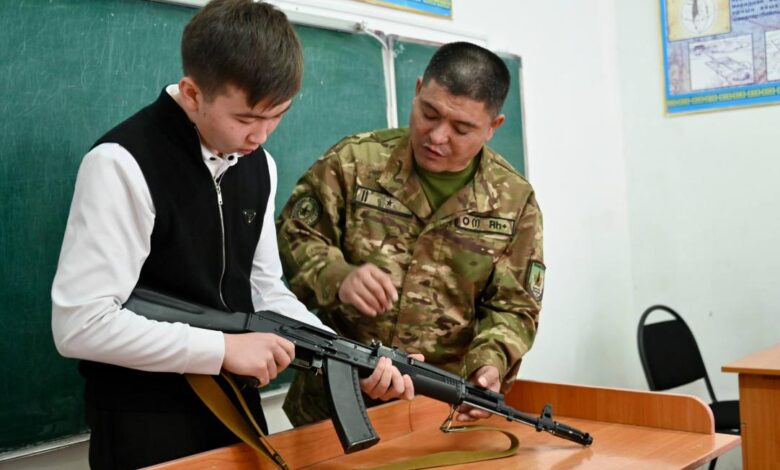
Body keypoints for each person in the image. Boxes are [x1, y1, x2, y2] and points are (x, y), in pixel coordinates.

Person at [50, 1, 412, 468]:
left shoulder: (260, 165)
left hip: (237, 408)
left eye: (277, 115)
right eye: (245, 119)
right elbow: (81, 325)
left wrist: (351, 357)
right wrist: (221, 349)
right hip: (146, 421)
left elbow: (264, 291)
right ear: (192, 93)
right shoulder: (122, 163)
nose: (261, 136)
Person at [279, 41, 545, 427]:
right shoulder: (354, 163)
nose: (437, 136)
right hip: (332, 399)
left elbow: (514, 306)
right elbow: (293, 236)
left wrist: (489, 364)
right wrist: (336, 276)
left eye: (461, 128)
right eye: (429, 113)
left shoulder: (514, 202)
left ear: (493, 127)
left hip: (439, 407)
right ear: (418, 90)